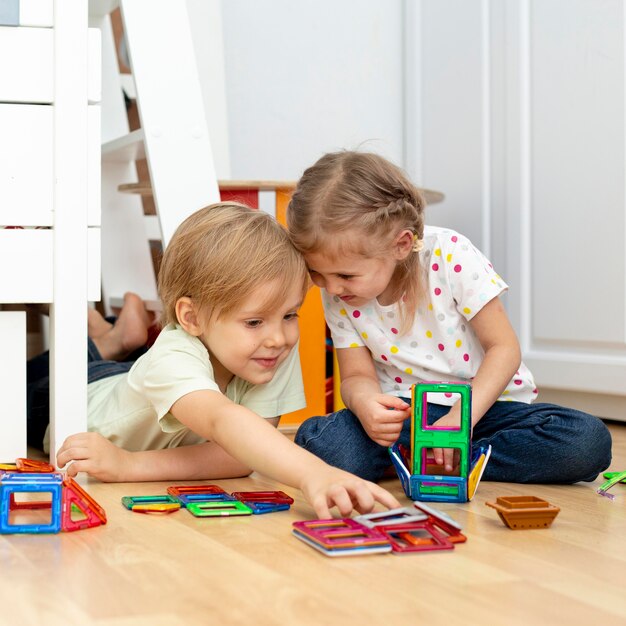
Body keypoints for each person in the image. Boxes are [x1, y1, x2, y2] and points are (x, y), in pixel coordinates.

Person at [28, 202, 400, 518]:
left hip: (138, 381)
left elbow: (237, 458)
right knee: (31, 372)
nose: (279, 338)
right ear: (191, 318)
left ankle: (113, 336)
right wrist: (314, 474)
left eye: (290, 315)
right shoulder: (174, 355)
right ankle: (106, 335)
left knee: (136, 364)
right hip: (69, 395)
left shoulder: (271, 349)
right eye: (254, 321)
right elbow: (224, 422)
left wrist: (130, 463)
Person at [286, 150, 612, 484]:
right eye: (317, 273)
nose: (331, 287)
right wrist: (367, 403)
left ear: (400, 245)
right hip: (406, 415)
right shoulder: (337, 289)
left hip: (486, 409)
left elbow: (504, 349)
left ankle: (429, 459)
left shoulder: (450, 253)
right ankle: (434, 458)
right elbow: (355, 375)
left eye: (345, 276)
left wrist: (461, 419)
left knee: (586, 441)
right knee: (321, 444)